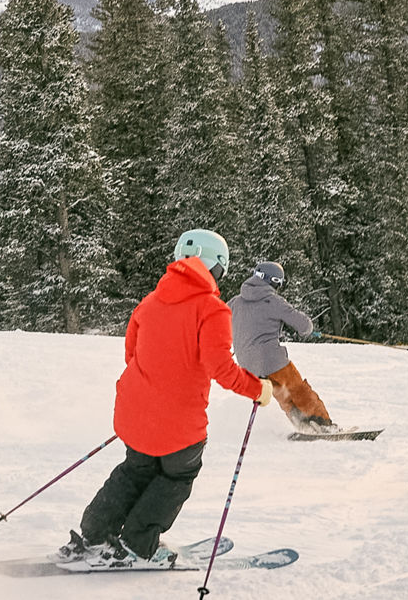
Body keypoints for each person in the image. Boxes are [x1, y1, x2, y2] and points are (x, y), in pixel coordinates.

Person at [59, 229, 270, 568]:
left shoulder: (150, 301)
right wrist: (258, 390)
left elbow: (131, 355)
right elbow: (221, 368)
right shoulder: (212, 309)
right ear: (215, 267)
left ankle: (93, 533)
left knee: (136, 470)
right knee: (176, 475)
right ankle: (137, 545)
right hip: (178, 424)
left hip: (134, 413)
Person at [228, 261, 340, 435]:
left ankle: (304, 425)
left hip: (247, 365)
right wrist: (309, 329)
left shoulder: (235, 302)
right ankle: (324, 424)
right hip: (270, 359)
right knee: (299, 389)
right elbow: (303, 325)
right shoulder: (273, 300)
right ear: (274, 281)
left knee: (284, 395)